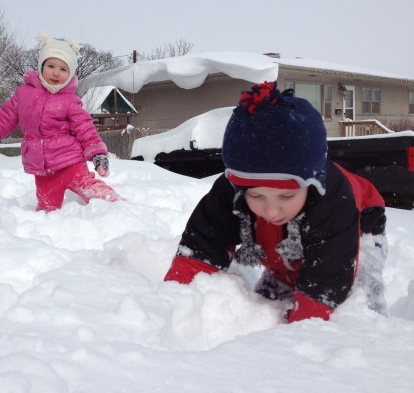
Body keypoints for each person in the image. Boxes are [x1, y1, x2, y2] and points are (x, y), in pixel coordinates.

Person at [164, 81, 387, 323]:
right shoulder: (231, 191)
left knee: (355, 301)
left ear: (311, 183)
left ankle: (370, 327)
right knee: (269, 305)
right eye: (256, 195)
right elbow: (203, 246)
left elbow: (327, 279)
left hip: (359, 227)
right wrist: (175, 306)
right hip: (287, 237)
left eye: (286, 195)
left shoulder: (333, 204)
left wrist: (304, 332)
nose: (270, 209)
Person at [0, 33, 121, 212]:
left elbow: (85, 128)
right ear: (41, 66)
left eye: (63, 69)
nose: (56, 73)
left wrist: (97, 153)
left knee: (92, 189)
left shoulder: (70, 100)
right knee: (46, 210)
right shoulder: (24, 94)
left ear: (70, 74)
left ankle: (119, 208)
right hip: (42, 169)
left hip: (70, 163)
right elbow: (6, 117)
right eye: (51, 66)